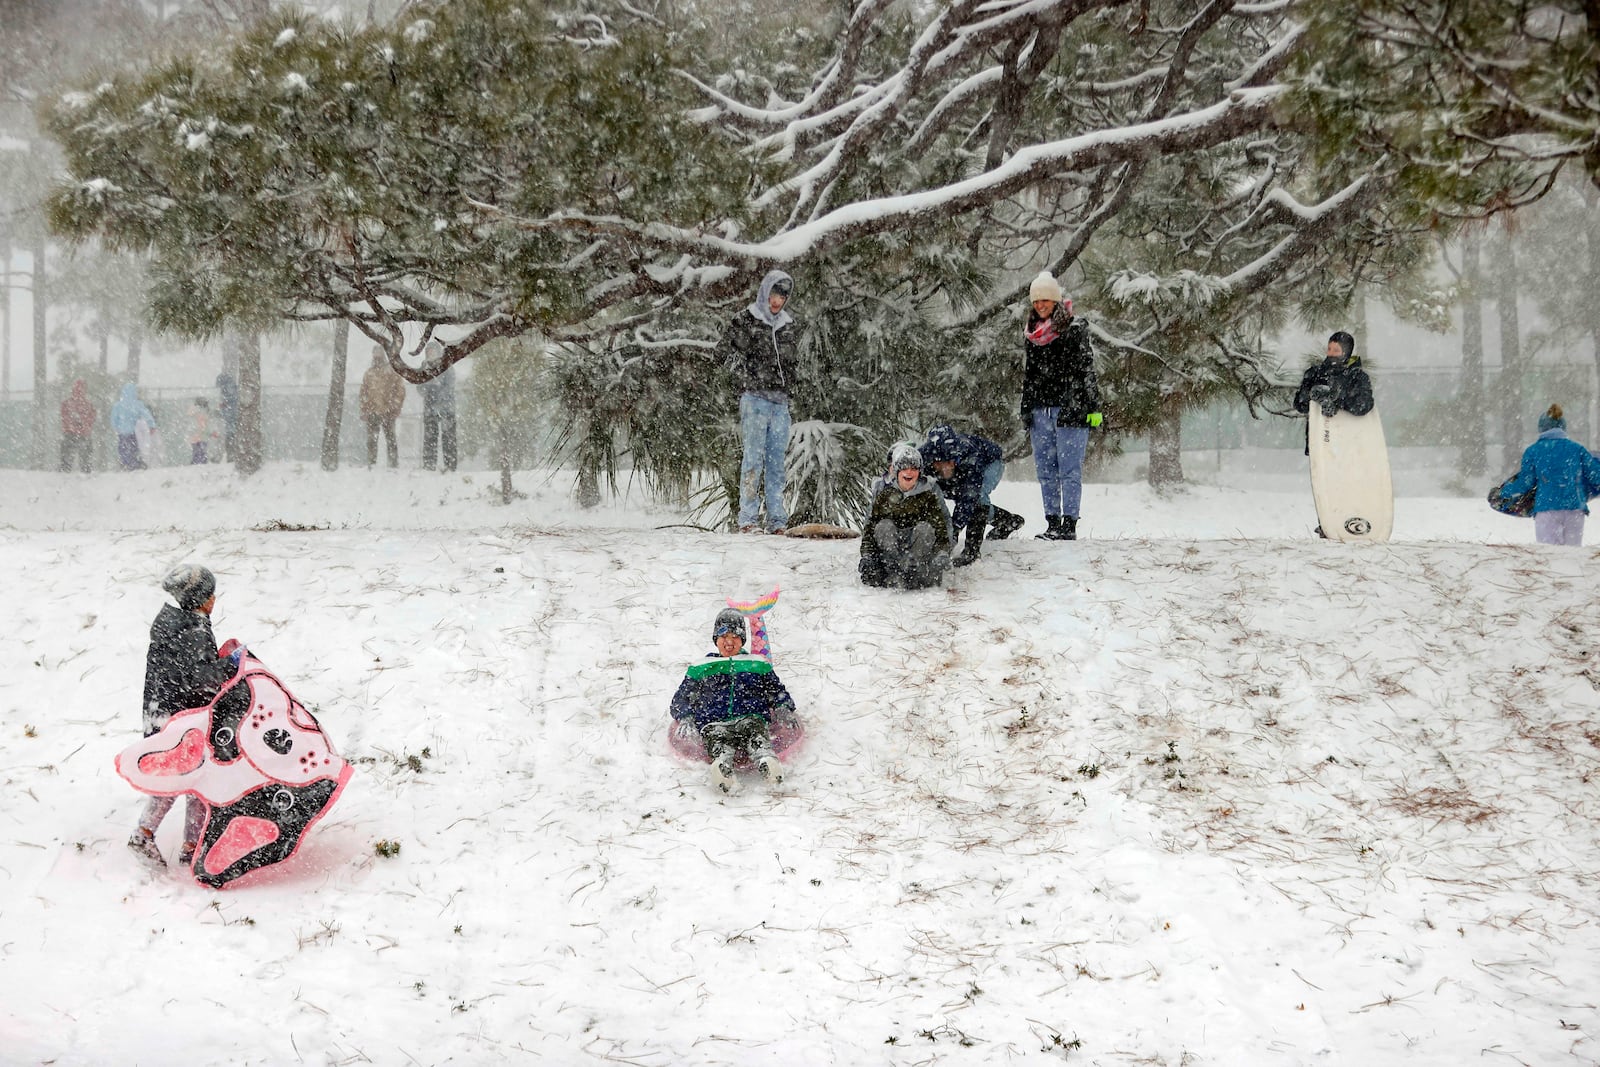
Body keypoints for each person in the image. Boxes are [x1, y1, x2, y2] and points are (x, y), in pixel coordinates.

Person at [127, 565, 238, 865]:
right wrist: (233, 664)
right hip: (184, 717)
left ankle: (187, 845)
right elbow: (202, 677)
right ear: (201, 599)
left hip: (161, 711)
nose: (214, 599)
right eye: (210, 594)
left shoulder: (170, 621)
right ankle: (153, 836)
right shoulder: (195, 629)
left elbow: (183, 670)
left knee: (188, 776)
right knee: (191, 777)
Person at [670, 608, 798, 792]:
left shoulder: (757, 663)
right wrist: (685, 716)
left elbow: (776, 690)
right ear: (716, 639)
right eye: (723, 636)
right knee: (718, 741)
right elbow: (681, 697)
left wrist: (783, 707)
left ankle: (767, 762)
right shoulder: (702, 667)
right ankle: (723, 770)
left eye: (735, 637)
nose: (729, 642)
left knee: (756, 736)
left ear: (743, 639)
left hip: (750, 717)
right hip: (714, 721)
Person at [1020, 271, 1101, 541]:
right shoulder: (1031, 334)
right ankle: (1052, 522)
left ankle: (1069, 524)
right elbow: (1029, 374)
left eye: (1045, 300)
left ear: (1056, 300)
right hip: (1039, 411)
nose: (1040, 305)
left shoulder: (1074, 328)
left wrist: (1093, 408)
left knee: (1069, 470)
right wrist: (1026, 408)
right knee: (1045, 470)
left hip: (1071, 410)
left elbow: (1086, 369)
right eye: (1036, 301)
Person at [721, 269, 800, 534]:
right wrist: (745, 378)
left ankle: (778, 520)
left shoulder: (788, 325)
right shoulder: (745, 319)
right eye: (774, 294)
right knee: (753, 458)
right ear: (765, 291)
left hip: (781, 403)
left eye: (783, 296)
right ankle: (748, 519)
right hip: (754, 400)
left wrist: (793, 386)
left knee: (777, 462)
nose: (777, 301)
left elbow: (794, 363)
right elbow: (722, 353)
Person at [920, 424, 1024, 566]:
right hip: (957, 472)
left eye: (951, 461)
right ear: (933, 461)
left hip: (991, 463)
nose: (947, 467)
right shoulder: (922, 458)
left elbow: (968, 499)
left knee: (977, 499)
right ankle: (1008, 520)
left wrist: (954, 530)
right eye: (941, 463)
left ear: (956, 457)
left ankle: (972, 551)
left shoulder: (971, 460)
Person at [1496, 404, 1600, 546]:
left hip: (1547, 509)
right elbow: (1596, 477)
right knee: (1573, 556)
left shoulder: (1533, 451)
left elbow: (1525, 483)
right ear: (1563, 428)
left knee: (1550, 556)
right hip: (1575, 508)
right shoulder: (1578, 449)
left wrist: (1502, 492)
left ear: (1541, 428)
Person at [859, 443, 953, 589]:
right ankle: (892, 570)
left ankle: (915, 571)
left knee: (925, 528)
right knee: (884, 526)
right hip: (892, 551)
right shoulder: (884, 494)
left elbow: (941, 527)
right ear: (895, 471)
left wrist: (942, 553)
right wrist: (867, 556)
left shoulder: (928, 494)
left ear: (920, 472)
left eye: (914, 468)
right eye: (904, 468)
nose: (909, 472)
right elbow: (870, 528)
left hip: (919, 552)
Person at [359, 346, 407, 468]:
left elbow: (400, 390)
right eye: (375, 352)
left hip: (388, 411)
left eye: (379, 352)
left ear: (384, 354)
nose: (377, 355)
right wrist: (364, 409)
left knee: (391, 439)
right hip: (372, 411)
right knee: (371, 440)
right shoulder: (369, 373)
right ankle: (371, 463)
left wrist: (395, 406)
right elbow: (363, 393)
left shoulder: (392, 371)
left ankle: (393, 464)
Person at [419, 341, 459, 472]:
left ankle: (450, 466)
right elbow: (419, 385)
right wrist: (427, 391)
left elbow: (450, 385)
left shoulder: (446, 364)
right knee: (430, 437)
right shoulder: (424, 366)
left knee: (448, 437)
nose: (430, 353)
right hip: (430, 409)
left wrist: (437, 394)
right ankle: (429, 465)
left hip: (446, 408)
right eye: (428, 351)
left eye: (433, 351)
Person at [109, 383, 156, 472]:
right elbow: (147, 415)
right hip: (134, 432)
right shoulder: (138, 404)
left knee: (123, 449)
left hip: (122, 432)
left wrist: (116, 428)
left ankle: (126, 463)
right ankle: (134, 464)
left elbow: (113, 419)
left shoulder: (118, 405)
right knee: (133, 448)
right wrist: (151, 425)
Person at [59, 378, 96, 473]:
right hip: (84, 434)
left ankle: (65, 470)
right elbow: (92, 418)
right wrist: (85, 426)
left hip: (69, 433)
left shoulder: (66, 403)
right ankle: (86, 470)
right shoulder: (88, 404)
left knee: (66, 455)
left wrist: (70, 426)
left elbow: (64, 417)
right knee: (86, 455)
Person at [215, 370, 239, 462]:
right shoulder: (232, 389)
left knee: (230, 440)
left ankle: (231, 458)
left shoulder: (228, 390)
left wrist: (223, 408)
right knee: (231, 440)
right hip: (233, 425)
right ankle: (232, 457)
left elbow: (230, 409)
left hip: (231, 426)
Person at [187, 398, 212, 465]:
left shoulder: (196, 412)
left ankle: (197, 462)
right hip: (200, 435)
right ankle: (199, 462)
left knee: (198, 451)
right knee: (201, 451)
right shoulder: (204, 412)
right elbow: (206, 424)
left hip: (198, 435)